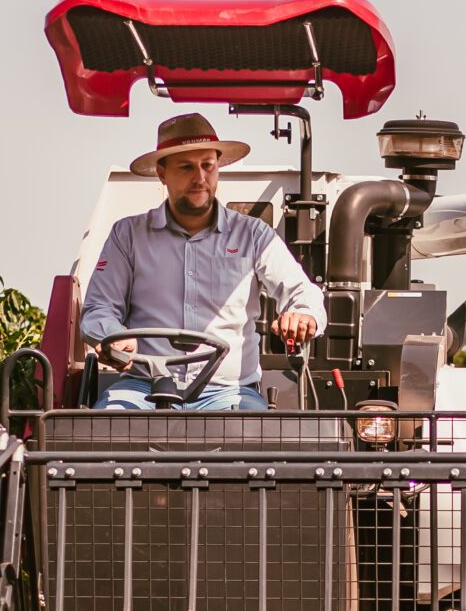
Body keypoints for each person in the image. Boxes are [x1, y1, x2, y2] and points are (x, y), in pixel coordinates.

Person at [79, 112, 325, 410]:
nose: (200, 178)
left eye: (208, 165)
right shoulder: (128, 235)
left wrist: (302, 314)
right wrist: (112, 338)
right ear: (162, 173)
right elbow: (98, 308)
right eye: (186, 167)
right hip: (142, 387)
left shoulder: (254, 235)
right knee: (105, 428)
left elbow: (303, 292)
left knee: (259, 440)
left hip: (228, 392)